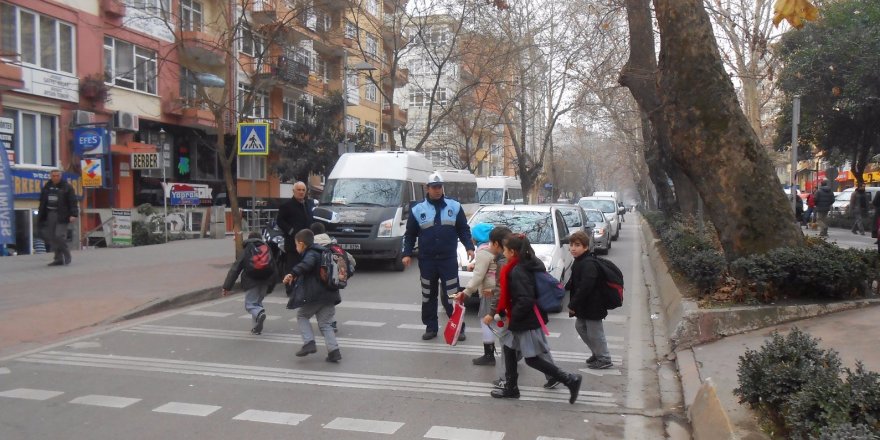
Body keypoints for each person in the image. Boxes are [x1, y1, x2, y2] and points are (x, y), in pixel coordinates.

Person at [488, 233, 582, 403]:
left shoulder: (519, 270)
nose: (504, 252)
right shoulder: (520, 265)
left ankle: (570, 379)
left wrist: (513, 318)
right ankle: (511, 387)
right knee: (509, 349)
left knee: (532, 359)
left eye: (506, 250)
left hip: (525, 321)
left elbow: (525, 299)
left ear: (513, 252)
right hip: (521, 318)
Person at [402, 172, 475, 341]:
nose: (437, 190)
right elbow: (410, 234)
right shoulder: (417, 209)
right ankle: (431, 327)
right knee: (428, 294)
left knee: (453, 295)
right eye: (434, 187)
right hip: (427, 260)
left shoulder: (454, 206)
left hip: (448, 260)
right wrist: (406, 253)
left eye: (439, 187)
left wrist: (469, 247)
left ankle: (458, 327)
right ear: (427, 188)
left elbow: (463, 230)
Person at [283, 229, 343, 362]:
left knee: (302, 315)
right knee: (325, 324)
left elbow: (306, 265)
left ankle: (309, 342)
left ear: (301, 244)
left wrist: (292, 273)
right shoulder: (324, 252)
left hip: (316, 295)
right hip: (331, 294)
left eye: (296, 245)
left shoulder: (311, 253)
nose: (296, 247)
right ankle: (334, 351)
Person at [566, 230, 613, 369]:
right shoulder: (579, 261)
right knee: (580, 327)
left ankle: (604, 358)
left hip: (593, 305)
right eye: (571, 245)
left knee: (595, 333)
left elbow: (586, 286)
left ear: (586, 247)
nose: (573, 248)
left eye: (577, 245)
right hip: (585, 305)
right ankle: (597, 353)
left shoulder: (588, 263)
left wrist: (572, 304)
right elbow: (575, 282)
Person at [454, 223, 497, 366]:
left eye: (473, 235)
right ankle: (515, 351)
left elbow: (478, 277)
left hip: (488, 291)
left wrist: (466, 292)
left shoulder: (483, 252)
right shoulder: (493, 249)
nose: (471, 237)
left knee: (485, 321)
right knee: (502, 323)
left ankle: (489, 354)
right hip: (498, 289)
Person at [221, 232, 275, 335]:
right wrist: (271, 285)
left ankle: (259, 313)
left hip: (251, 282)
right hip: (265, 281)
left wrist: (227, 287)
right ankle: (256, 328)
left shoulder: (246, 250)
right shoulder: (267, 249)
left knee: (250, 305)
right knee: (257, 303)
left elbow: (235, 269)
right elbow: (274, 267)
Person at [37, 169, 78, 266]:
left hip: (62, 214)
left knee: (59, 235)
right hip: (50, 213)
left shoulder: (67, 187)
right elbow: (42, 201)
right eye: (53, 176)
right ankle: (58, 258)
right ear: (51, 176)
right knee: (52, 237)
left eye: (57, 175)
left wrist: (74, 214)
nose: (55, 177)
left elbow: (72, 201)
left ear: (60, 176)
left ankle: (67, 254)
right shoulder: (47, 187)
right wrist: (41, 214)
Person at [276, 181, 315, 270]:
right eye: (298, 190)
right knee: (293, 270)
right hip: (293, 245)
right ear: (293, 191)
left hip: (308, 244)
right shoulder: (286, 205)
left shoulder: (309, 204)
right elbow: (280, 221)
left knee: (306, 270)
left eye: (303, 190)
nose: (301, 192)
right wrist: (291, 231)